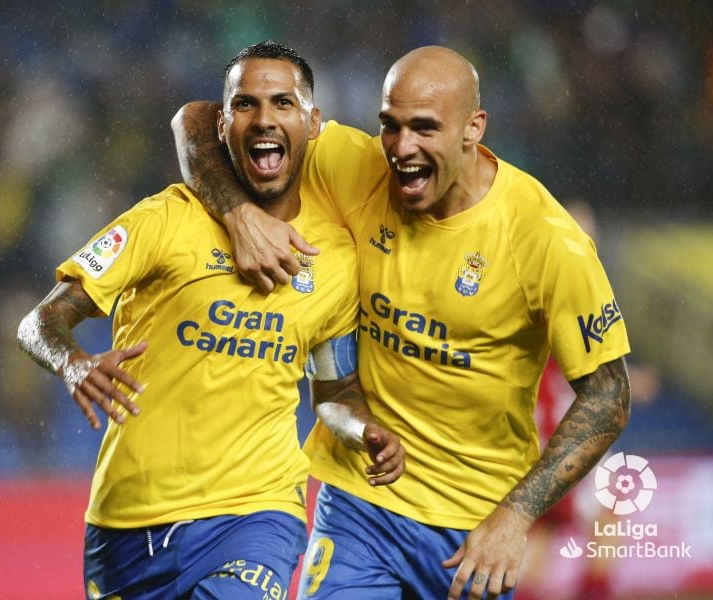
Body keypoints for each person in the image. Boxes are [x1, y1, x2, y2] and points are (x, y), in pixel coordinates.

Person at [172, 45, 631, 599]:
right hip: (359, 505)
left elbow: (609, 394)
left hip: (473, 527)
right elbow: (196, 120)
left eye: (425, 128)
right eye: (390, 125)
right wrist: (238, 214)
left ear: (474, 128)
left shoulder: (545, 239)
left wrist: (515, 516)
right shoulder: (356, 165)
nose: (402, 148)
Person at [17, 42, 405, 600]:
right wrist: (72, 362)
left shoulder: (336, 260)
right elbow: (40, 321)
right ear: (222, 126)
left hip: (257, 513)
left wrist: (363, 429)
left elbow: (335, 388)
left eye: (283, 103)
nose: (264, 118)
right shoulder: (165, 219)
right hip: (127, 521)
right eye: (245, 104)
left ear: (313, 122)